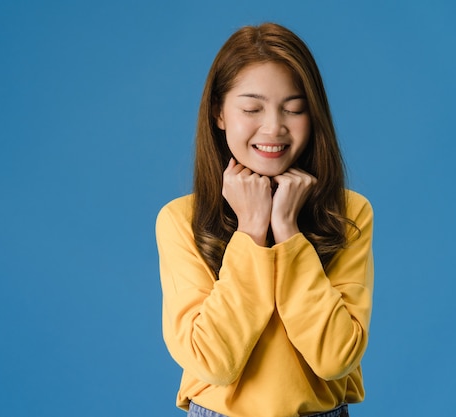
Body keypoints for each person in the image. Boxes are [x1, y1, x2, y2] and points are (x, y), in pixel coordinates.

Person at [155, 23, 374, 417]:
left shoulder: (349, 212)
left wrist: (289, 234)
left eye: (294, 108)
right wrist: (251, 232)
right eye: (252, 108)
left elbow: (335, 357)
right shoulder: (180, 220)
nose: (274, 127)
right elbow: (212, 361)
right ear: (219, 114)